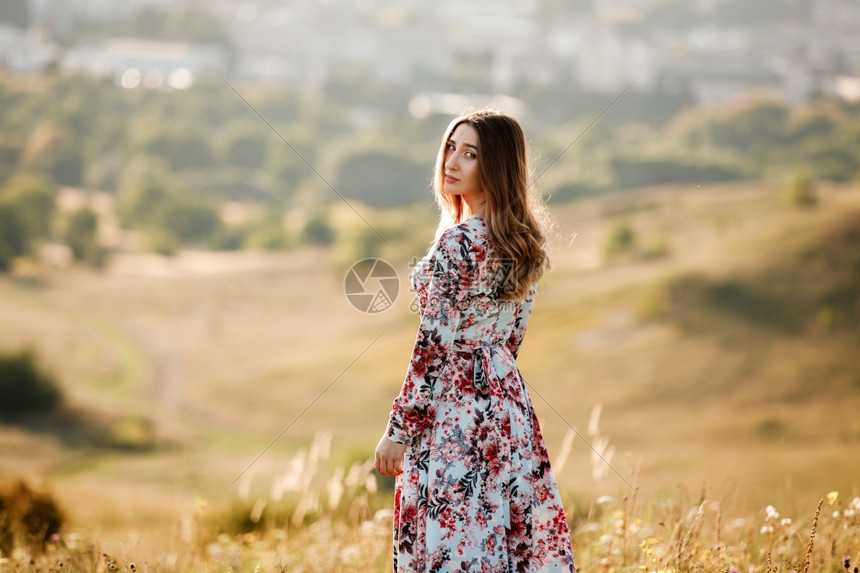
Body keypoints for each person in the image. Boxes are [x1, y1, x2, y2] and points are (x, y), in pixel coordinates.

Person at [374, 109, 576, 572]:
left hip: (453, 417)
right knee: (501, 539)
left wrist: (399, 431)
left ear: (497, 166)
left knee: (453, 543)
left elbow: (432, 347)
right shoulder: (523, 243)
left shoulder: (459, 244)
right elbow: (511, 341)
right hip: (507, 413)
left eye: (471, 154)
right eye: (451, 147)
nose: (453, 162)